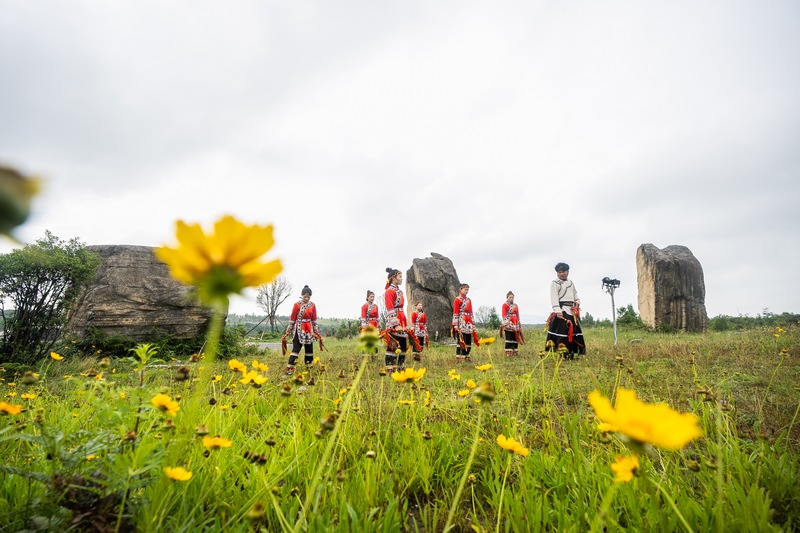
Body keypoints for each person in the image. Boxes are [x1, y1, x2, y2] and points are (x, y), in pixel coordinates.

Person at [545, 263, 586, 359]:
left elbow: (575, 295)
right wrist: (557, 310)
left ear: (568, 272)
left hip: (572, 311)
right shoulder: (555, 283)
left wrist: (577, 302)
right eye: (559, 272)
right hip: (562, 310)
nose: (561, 274)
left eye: (563, 272)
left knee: (574, 332)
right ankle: (563, 354)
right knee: (562, 332)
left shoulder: (571, 283)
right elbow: (554, 297)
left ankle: (572, 352)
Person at [285, 285, 320, 374]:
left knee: (309, 348)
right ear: (302, 295)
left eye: (308, 296)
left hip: (309, 328)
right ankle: (290, 368)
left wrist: (316, 330)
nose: (307, 298)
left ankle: (309, 367)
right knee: (296, 348)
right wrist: (289, 328)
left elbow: (314, 319)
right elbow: (293, 318)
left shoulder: (312, 305)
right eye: (305, 296)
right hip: (299, 328)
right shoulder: (297, 305)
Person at [383, 267, 409, 373]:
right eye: (400, 277)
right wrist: (395, 324)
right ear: (393, 278)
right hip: (394, 320)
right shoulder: (389, 292)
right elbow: (390, 308)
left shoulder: (400, 292)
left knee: (403, 345)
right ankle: (390, 368)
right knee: (393, 345)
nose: (402, 279)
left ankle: (400, 366)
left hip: (402, 319)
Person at [452, 283, 479, 362]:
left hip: (468, 321)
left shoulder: (469, 300)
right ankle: (460, 357)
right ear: (461, 289)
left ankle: (467, 355)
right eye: (465, 290)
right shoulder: (457, 299)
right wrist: (455, 324)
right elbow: (455, 312)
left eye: (467, 290)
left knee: (468, 339)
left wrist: (473, 323)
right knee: (461, 338)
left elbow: (471, 312)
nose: (466, 291)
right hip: (461, 320)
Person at [501, 291, 524, 356]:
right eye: (510, 297)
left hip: (515, 323)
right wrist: (506, 323)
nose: (511, 298)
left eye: (512, 297)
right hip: (509, 322)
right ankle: (509, 353)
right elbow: (504, 314)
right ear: (507, 298)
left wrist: (519, 324)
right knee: (509, 337)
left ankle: (515, 352)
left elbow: (517, 314)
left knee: (515, 338)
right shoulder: (504, 305)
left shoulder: (515, 305)